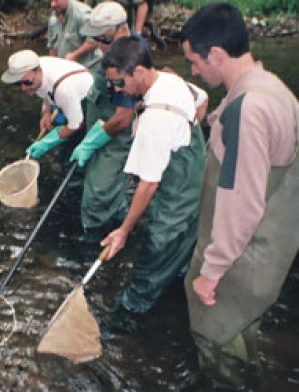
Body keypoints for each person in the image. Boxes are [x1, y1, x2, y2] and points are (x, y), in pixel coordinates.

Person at [180, 3, 299, 390]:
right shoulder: (272, 88)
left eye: (194, 61)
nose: (193, 71)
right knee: (243, 332)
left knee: (215, 344)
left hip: (240, 261)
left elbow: (240, 201)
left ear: (216, 54)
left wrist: (210, 273)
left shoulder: (246, 111)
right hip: (269, 259)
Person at [98, 36, 207, 333]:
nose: (117, 90)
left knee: (152, 256)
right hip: (197, 179)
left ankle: (124, 322)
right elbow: (203, 100)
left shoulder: (154, 123)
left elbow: (147, 185)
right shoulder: (171, 80)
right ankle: (176, 293)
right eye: (111, 85)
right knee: (182, 251)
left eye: (120, 83)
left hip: (177, 198)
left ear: (139, 72)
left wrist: (123, 232)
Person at [69, 1, 143, 242]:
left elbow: (122, 117)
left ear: (123, 30)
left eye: (105, 40)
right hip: (102, 129)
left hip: (115, 137)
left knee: (96, 199)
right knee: (105, 189)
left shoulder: (130, 62)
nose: (100, 47)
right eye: (97, 40)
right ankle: (119, 221)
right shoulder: (112, 51)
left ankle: (95, 246)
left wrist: (93, 141)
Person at [0, 49, 93, 162]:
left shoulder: (63, 90)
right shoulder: (35, 71)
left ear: (38, 71)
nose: (23, 88)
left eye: (27, 83)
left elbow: (76, 124)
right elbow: (45, 91)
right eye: (18, 83)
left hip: (88, 100)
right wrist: (46, 112)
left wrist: (46, 142)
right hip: (65, 97)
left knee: (77, 147)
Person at [47, 0, 103, 69]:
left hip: (88, 67)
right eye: (51, 1)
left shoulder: (83, 14)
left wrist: (75, 55)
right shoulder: (53, 17)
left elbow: (95, 40)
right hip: (65, 69)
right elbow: (51, 46)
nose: (53, 4)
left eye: (56, 0)